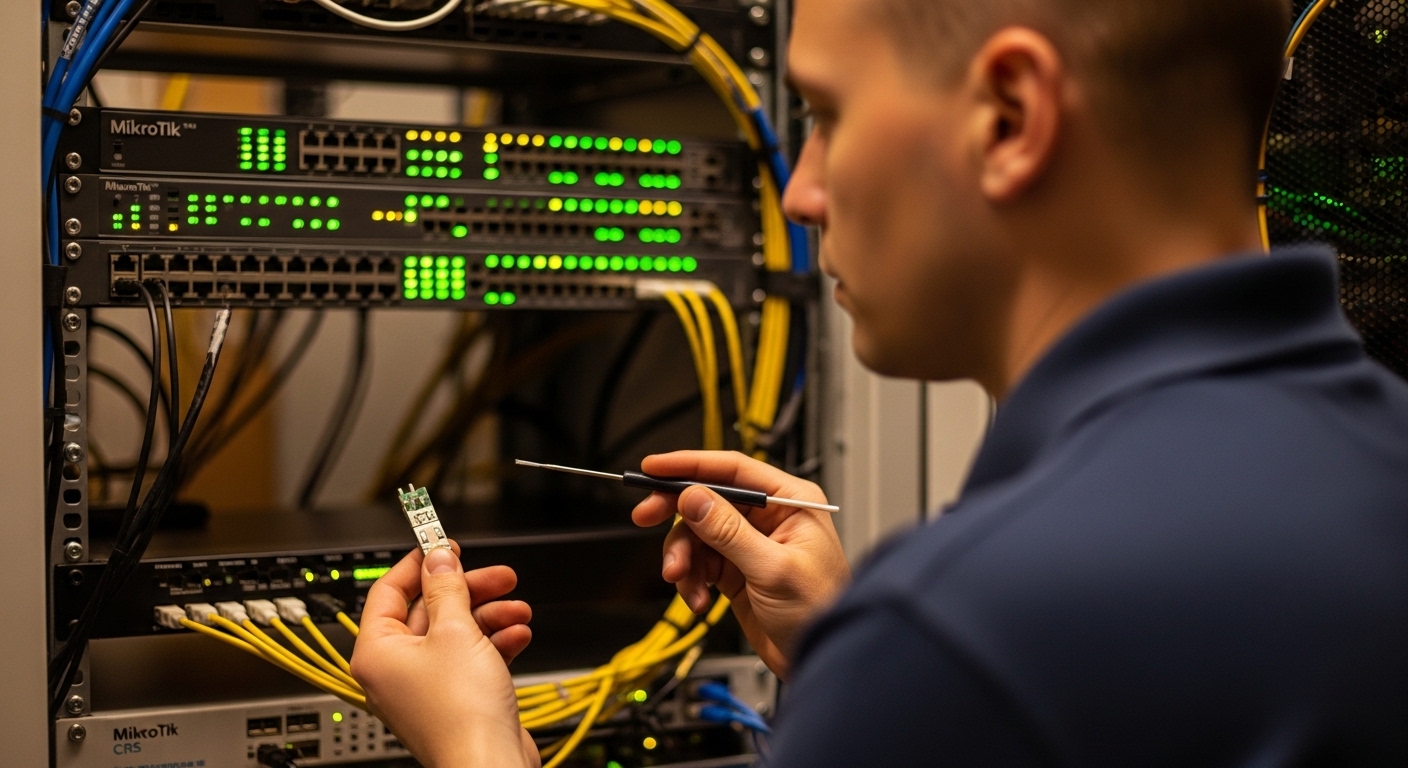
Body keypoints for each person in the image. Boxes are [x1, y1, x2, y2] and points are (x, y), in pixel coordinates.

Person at [350, 0, 1408, 764]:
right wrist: (846, 663)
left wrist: (479, 745)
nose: (801, 194)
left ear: (1008, 117)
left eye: (827, 112)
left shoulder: (978, 629)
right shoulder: (1378, 453)